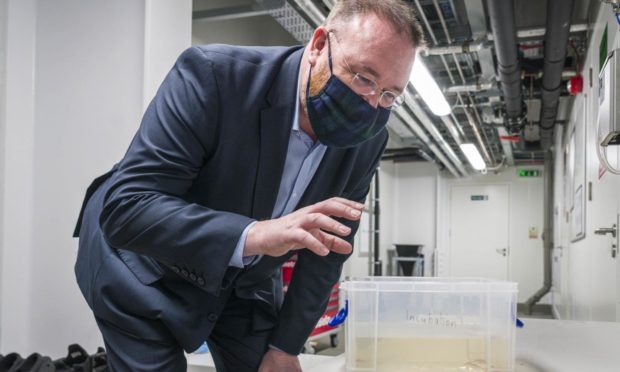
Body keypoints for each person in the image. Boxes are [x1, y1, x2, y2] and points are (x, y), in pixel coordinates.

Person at [73, 0, 424, 370]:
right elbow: (128, 208)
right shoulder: (215, 76)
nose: (370, 104)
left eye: (388, 95)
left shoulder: (368, 140)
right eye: (364, 78)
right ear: (319, 45)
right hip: (140, 264)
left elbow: (329, 250)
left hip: (243, 282)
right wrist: (257, 234)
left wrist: (287, 347)